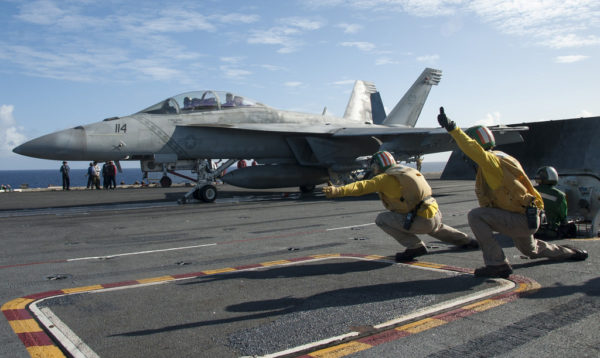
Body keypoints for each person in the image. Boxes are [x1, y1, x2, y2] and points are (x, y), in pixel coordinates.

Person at [437, 107, 588, 278]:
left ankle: (497, 264)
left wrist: (453, 129)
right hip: (527, 216)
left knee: (476, 216)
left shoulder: (491, 163)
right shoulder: (505, 157)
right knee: (531, 250)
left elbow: (474, 149)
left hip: (519, 219)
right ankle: (570, 252)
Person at [323, 151, 478, 262]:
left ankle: (415, 247)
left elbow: (361, 186)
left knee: (382, 219)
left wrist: (336, 191)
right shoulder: (409, 171)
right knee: (436, 228)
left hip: (419, 219)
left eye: (375, 166)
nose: (374, 169)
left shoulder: (385, 178)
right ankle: (467, 241)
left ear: (379, 165)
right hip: (433, 213)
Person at [534, 166, 575, 240]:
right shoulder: (559, 195)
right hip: (550, 233)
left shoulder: (530, 190)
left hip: (531, 231)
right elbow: (563, 216)